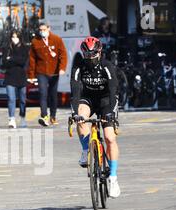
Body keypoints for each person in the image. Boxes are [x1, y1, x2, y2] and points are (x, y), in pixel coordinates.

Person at [70, 37, 121, 198]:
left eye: (93, 55)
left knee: (109, 137)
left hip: (106, 100)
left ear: (99, 52)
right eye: (87, 55)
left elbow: (114, 91)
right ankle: (86, 149)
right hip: (88, 98)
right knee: (81, 116)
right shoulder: (79, 66)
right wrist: (76, 114)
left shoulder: (107, 66)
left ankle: (113, 178)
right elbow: (75, 91)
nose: (90, 59)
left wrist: (111, 113)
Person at [28, 22, 67, 127]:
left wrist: (62, 68)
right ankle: (44, 116)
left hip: (54, 73)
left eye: (44, 30)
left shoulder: (57, 39)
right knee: (43, 94)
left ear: (49, 29)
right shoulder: (35, 41)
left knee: (53, 95)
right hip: (41, 73)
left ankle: (53, 116)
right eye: (40, 30)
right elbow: (32, 59)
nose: (42, 32)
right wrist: (31, 75)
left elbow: (63, 54)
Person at [2, 30, 29, 128]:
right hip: (10, 77)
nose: (14, 39)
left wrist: (12, 59)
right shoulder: (7, 48)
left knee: (22, 99)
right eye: (13, 37)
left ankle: (22, 117)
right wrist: (13, 59)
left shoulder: (24, 48)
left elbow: (23, 61)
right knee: (11, 98)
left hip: (21, 77)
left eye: (16, 37)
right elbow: (4, 62)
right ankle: (11, 119)